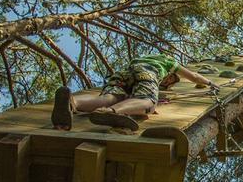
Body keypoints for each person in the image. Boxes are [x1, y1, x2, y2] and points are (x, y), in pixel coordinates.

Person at [51, 54, 220, 131]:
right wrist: (210, 82)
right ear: (170, 75)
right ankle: (112, 112)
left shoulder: (141, 58)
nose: (165, 84)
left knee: (111, 97)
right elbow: (194, 76)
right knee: (148, 102)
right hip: (147, 72)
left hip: (124, 73)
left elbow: (129, 88)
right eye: (169, 81)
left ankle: (73, 102)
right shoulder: (168, 61)